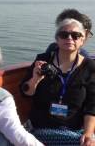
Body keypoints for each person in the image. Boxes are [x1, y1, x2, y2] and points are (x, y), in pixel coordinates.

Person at [20, 14, 95, 145]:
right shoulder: (43, 61)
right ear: (57, 39)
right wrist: (35, 79)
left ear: (82, 40)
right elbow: (25, 92)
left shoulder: (90, 67)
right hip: (40, 128)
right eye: (64, 35)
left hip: (73, 130)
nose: (69, 38)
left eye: (76, 35)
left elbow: (92, 106)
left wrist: (88, 134)